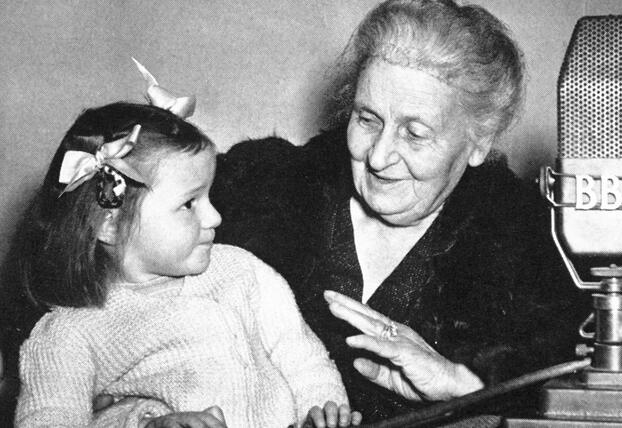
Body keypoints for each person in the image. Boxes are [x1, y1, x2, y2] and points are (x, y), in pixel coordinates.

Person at [210, 0, 585, 422]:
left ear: (479, 142)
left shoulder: (536, 249)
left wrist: (465, 385)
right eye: (368, 120)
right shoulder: (254, 193)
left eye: (414, 133)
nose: (379, 156)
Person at [13, 98, 361, 428]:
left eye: (208, 196)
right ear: (110, 223)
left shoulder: (243, 271)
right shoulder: (68, 334)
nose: (213, 216)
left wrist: (324, 409)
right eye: (189, 204)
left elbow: (303, 358)